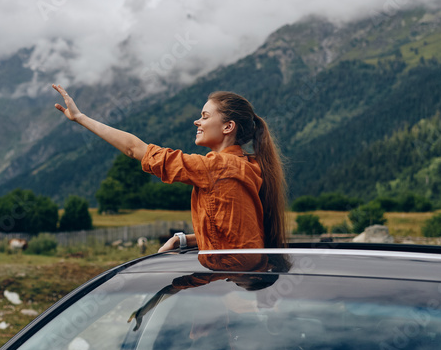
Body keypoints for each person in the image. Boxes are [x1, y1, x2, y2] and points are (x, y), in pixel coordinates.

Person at [51, 84, 286, 263]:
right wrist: (183, 239)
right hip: (244, 278)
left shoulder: (215, 167)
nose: (197, 121)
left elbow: (135, 149)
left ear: (228, 127)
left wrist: (81, 118)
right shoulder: (249, 166)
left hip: (227, 283)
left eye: (205, 116)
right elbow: (231, 235)